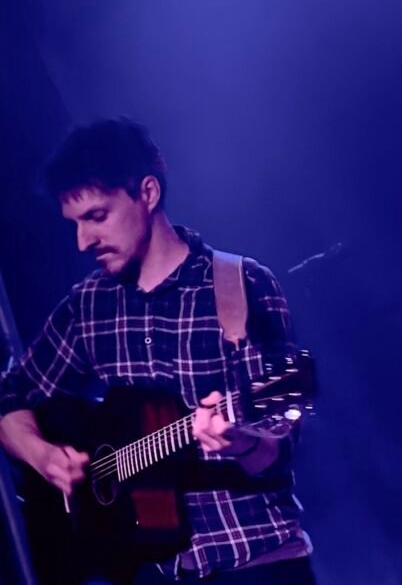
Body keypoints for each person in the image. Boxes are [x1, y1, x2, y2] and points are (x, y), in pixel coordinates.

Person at [0, 119, 315, 584]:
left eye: (96, 217)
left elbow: (279, 449)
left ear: (147, 193)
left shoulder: (240, 284)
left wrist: (241, 441)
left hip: (257, 561)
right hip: (150, 571)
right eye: (74, 224)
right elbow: (10, 397)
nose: (82, 242)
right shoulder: (89, 306)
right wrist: (43, 456)